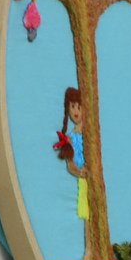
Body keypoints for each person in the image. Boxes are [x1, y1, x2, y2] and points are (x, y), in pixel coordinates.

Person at [54, 86, 88, 224]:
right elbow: (70, 164)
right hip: (83, 179)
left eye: (79, 107)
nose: (76, 111)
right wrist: (80, 173)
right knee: (85, 211)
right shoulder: (69, 138)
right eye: (73, 106)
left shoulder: (90, 132)